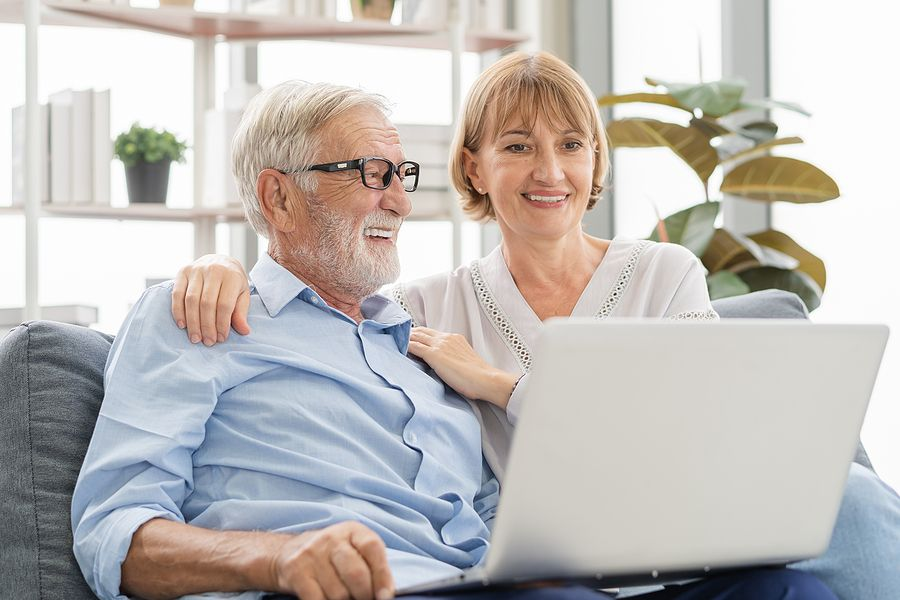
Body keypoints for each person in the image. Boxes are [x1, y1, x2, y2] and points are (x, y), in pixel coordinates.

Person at [173, 52, 900, 600]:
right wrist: (220, 264)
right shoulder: (422, 306)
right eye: (519, 146)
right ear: (474, 168)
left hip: (686, 554)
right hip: (546, 574)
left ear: (595, 160)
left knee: (854, 503)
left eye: (572, 145)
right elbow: (318, 296)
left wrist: (501, 386)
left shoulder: (665, 272)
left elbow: (690, 446)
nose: (550, 171)